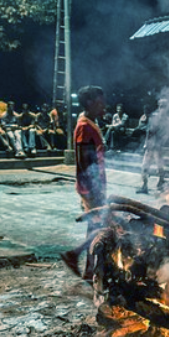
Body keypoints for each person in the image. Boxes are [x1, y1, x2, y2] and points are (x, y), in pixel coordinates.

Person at [60, 86, 108, 276]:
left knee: (95, 226)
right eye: (100, 101)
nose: (104, 105)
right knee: (100, 226)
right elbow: (83, 161)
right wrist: (93, 189)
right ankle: (74, 254)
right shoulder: (84, 126)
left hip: (94, 185)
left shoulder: (90, 123)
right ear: (90, 103)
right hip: (90, 187)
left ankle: (89, 268)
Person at [138, 102, 166, 193]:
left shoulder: (155, 117)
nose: (145, 113)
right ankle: (145, 186)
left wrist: (146, 144)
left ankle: (160, 182)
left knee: (157, 165)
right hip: (153, 145)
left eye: (146, 111)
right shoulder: (154, 117)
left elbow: (150, 132)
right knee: (147, 166)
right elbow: (149, 132)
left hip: (155, 146)